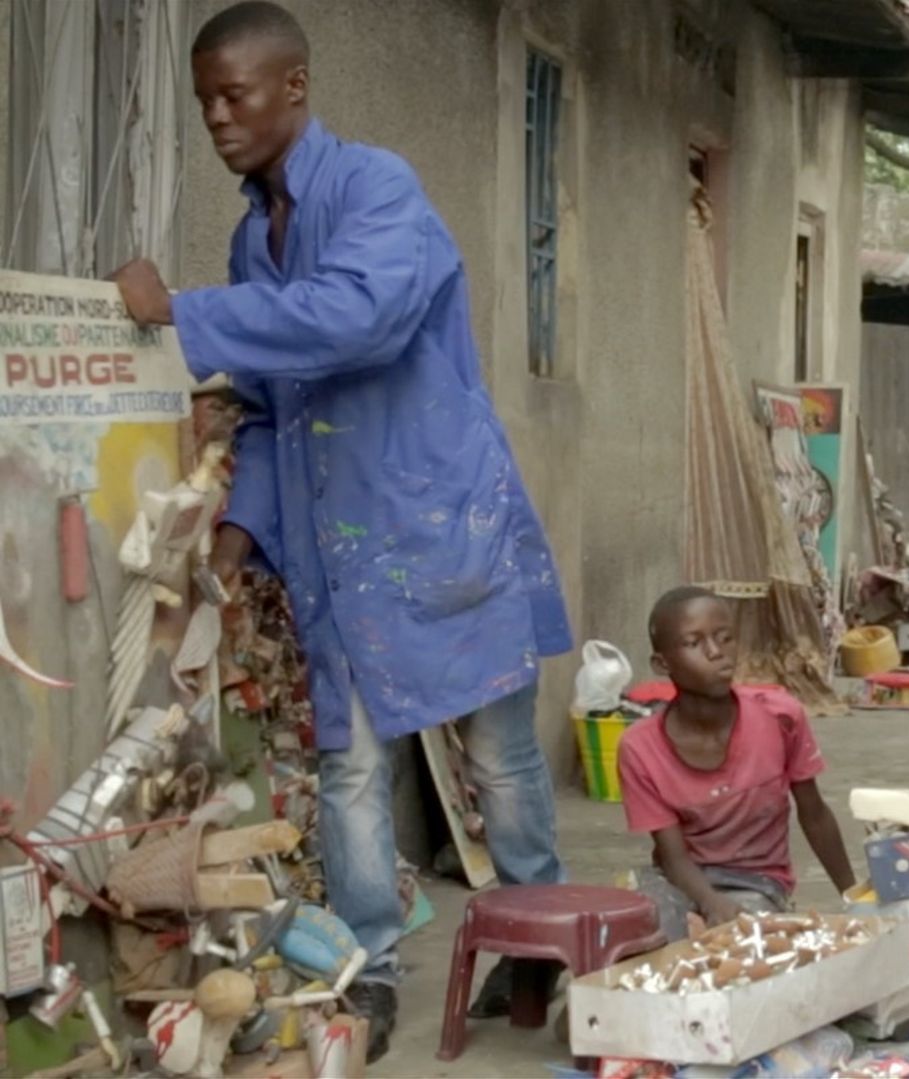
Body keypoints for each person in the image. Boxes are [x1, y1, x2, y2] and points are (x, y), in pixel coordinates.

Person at [109, 2, 571, 1060]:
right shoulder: (249, 235)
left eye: (236, 95)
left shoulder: (378, 189)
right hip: (338, 546)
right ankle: (368, 970)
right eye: (205, 102)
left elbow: (358, 314)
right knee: (352, 767)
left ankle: (537, 939)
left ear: (296, 88)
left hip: (435, 516)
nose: (219, 118)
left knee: (498, 754)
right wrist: (231, 549)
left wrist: (182, 312)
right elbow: (271, 407)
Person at [619, 587, 857, 937]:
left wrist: (855, 898)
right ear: (662, 664)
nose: (716, 653)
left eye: (724, 638)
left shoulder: (780, 716)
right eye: (694, 643)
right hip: (681, 879)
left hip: (758, 882)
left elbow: (814, 813)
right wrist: (709, 902)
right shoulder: (640, 747)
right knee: (643, 937)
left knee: (745, 945)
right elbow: (672, 855)